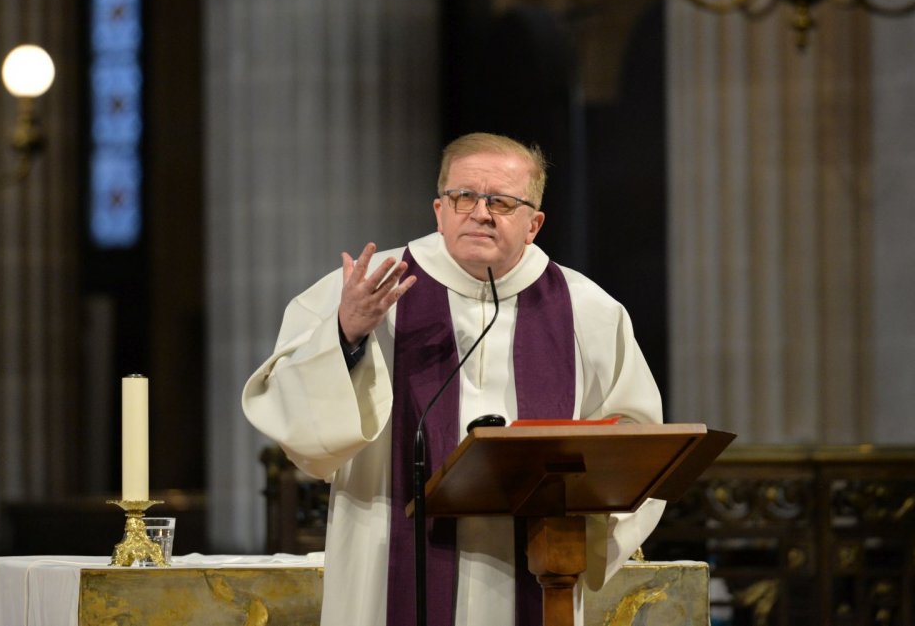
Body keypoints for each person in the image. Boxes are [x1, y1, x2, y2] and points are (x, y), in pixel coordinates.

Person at [242, 132, 664, 626]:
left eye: (503, 201)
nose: (480, 212)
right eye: (464, 197)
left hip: (529, 566)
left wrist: (586, 527)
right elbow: (292, 413)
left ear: (534, 223)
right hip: (387, 554)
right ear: (439, 209)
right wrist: (346, 334)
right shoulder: (366, 288)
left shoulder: (588, 310)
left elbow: (635, 444)